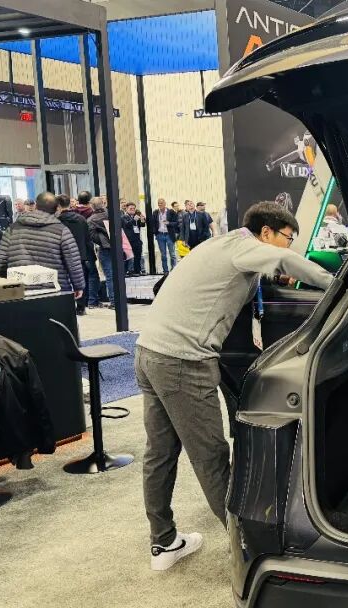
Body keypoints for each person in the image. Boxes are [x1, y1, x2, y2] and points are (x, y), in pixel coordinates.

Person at [135, 202, 334, 571]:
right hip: (183, 362)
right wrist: (337, 285)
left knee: (159, 453)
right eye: (287, 238)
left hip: (149, 352)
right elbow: (285, 261)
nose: (288, 246)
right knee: (211, 457)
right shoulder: (246, 247)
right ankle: (246, 546)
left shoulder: (220, 244)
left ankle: (163, 542)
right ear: (266, 232)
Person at [0, 192, 84, 301]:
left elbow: (1, 258)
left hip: (19, 288)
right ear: (57, 208)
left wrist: (2, 282)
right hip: (55, 288)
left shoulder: (12, 229)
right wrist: (78, 286)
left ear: (36, 206)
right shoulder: (62, 230)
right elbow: (73, 261)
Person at [55, 194, 94, 316]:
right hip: (80, 255)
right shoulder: (81, 219)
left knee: (63, 281)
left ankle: (67, 306)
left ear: (58, 206)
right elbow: (88, 239)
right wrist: (90, 256)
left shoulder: (56, 221)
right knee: (80, 280)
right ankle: (81, 307)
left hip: (62, 255)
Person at [87, 197, 117, 308]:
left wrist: (102, 240)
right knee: (117, 275)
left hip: (105, 249)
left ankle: (114, 302)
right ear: (103, 204)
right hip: (117, 247)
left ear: (92, 206)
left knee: (109, 276)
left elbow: (92, 236)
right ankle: (119, 300)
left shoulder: (91, 220)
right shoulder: (111, 214)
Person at [152, 198, 179, 273]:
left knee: (172, 254)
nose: (160, 204)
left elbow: (176, 222)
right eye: (159, 203)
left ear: (165, 203)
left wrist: (169, 223)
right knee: (163, 255)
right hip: (160, 235)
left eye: (161, 203)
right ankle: (165, 271)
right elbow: (153, 223)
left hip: (169, 235)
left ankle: (174, 269)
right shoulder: (155, 212)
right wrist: (155, 233)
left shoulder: (171, 212)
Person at [122, 202, 146, 276]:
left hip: (137, 239)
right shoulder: (124, 217)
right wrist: (133, 219)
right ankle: (126, 271)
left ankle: (137, 271)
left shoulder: (136, 216)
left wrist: (142, 220)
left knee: (138, 256)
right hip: (128, 240)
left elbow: (141, 225)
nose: (132, 210)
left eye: (133, 208)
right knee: (128, 257)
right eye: (131, 208)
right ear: (126, 209)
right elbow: (127, 225)